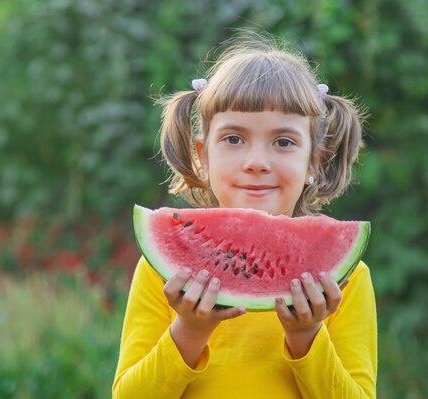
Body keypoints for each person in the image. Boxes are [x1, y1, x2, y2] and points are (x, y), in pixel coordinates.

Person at [112, 33, 377, 399]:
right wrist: (188, 331)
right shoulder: (161, 274)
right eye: (234, 139)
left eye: (283, 142)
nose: (256, 163)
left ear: (314, 160)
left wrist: (306, 336)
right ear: (203, 156)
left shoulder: (346, 282)